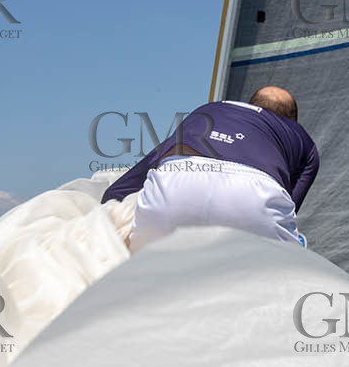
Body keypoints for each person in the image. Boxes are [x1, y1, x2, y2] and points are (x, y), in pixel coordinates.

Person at [102, 87, 319, 250]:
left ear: (251, 103)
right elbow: (290, 205)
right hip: (255, 198)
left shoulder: (209, 111)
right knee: (290, 251)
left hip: (174, 187)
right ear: (291, 120)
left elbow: (132, 180)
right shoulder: (301, 139)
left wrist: (108, 204)